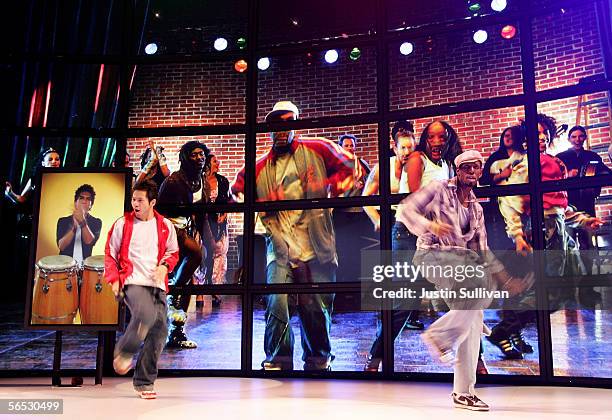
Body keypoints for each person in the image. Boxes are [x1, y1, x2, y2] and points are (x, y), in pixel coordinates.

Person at [397, 150, 531, 411]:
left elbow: (482, 252)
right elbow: (405, 210)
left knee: (471, 320)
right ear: (458, 171)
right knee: (480, 288)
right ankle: (439, 335)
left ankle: (463, 393)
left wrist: (505, 279)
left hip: (463, 264)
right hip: (432, 256)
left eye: (476, 168)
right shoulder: (438, 189)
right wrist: (431, 227)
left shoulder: (477, 210)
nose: (471, 172)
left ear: (480, 172)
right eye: (466, 167)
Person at [231, 101, 357, 371]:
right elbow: (236, 190)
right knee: (277, 300)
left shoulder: (318, 149)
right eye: (276, 124)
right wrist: (256, 202)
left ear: (296, 126)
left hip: (316, 242)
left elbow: (349, 166)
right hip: (279, 244)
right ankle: (278, 357)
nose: (281, 130)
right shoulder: (260, 165)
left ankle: (318, 358)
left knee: (316, 306)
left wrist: (330, 191)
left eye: (288, 123)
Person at [105, 179, 179, 399]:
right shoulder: (123, 224)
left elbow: (173, 253)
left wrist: (164, 267)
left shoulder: (165, 225)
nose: (135, 204)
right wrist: (113, 279)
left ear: (152, 202)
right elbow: (110, 253)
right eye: (133, 199)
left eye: (140, 200)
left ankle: (144, 382)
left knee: (160, 331)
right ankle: (124, 352)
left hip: (157, 283)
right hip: (132, 281)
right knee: (145, 314)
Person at [157, 141, 211, 349]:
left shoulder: (201, 180)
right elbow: (159, 215)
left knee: (187, 287)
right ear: (185, 157)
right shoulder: (173, 181)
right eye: (195, 155)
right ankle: (173, 289)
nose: (200, 158)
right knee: (195, 255)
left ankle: (177, 334)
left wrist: (204, 238)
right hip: (168, 231)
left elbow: (201, 213)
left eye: (202, 154)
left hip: (187, 230)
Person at [201, 153, 230, 306]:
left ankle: (216, 290)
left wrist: (224, 216)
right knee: (204, 255)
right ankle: (199, 290)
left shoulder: (223, 181)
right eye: (214, 161)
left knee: (220, 254)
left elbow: (228, 201)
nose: (218, 163)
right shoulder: (199, 180)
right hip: (204, 223)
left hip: (219, 223)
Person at [56, 184, 103, 264]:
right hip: (64, 266)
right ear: (75, 202)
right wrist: (74, 227)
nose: (84, 201)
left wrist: (82, 222)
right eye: (81, 198)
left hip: (86, 267)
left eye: (88, 199)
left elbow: (89, 241)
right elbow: (62, 246)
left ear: (91, 205)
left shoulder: (97, 222)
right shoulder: (63, 221)